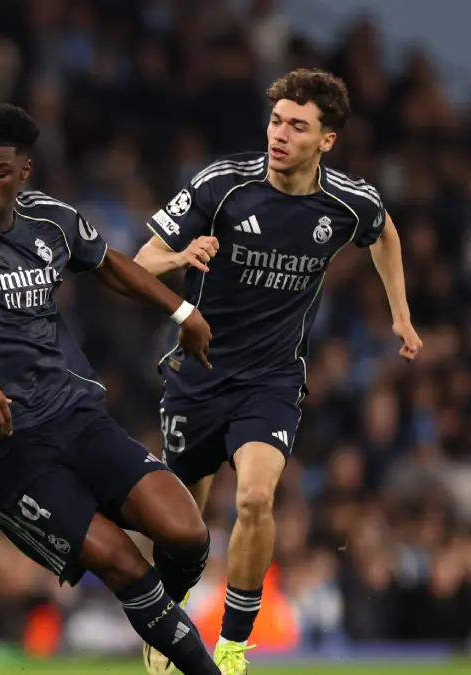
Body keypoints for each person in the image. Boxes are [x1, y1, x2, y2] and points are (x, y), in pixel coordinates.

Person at [0, 102, 223, 675]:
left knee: (187, 533)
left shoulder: (52, 219)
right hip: (3, 444)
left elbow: (108, 263)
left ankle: (162, 626)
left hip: (76, 415)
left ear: (24, 174)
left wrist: (183, 310)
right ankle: (190, 660)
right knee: (121, 562)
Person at [134, 69, 423, 675]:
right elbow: (143, 260)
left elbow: (384, 232)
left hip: (271, 380)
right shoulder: (223, 185)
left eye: (298, 126)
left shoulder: (348, 201)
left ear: (327, 140)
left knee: (257, 497)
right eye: (276, 121)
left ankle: (235, 646)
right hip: (198, 373)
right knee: (184, 526)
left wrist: (400, 314)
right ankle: (170, 614)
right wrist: (184, 254)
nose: (280, 135)